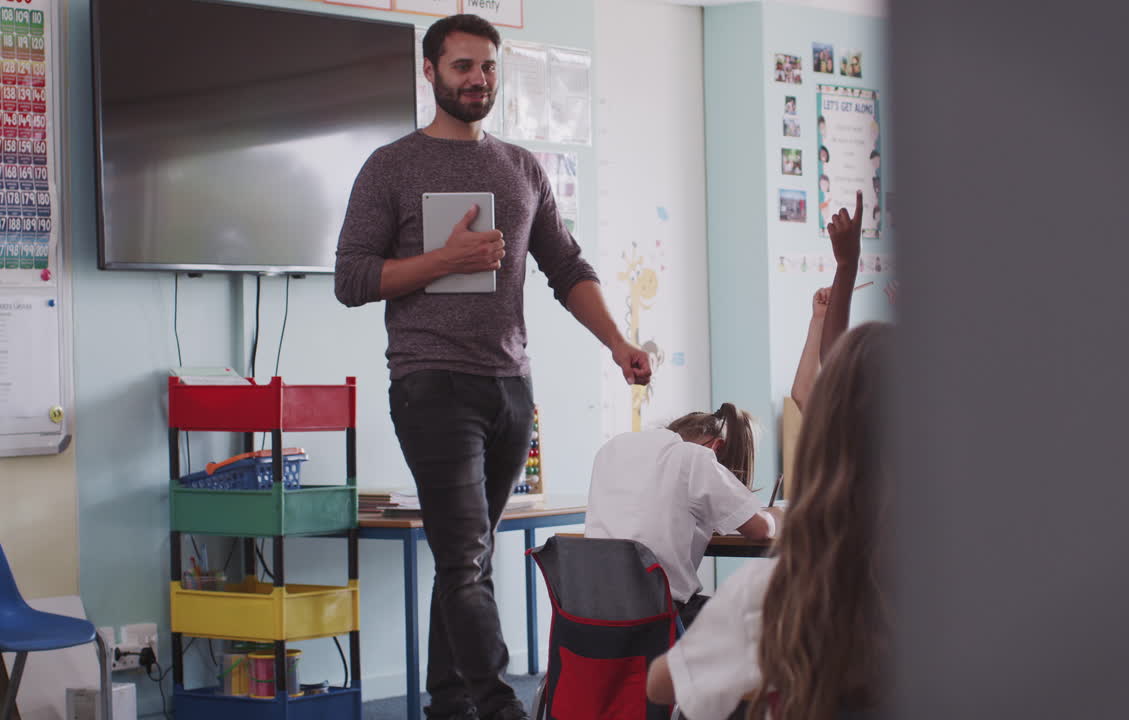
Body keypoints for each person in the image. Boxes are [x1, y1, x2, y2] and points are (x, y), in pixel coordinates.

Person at [333, 14, 650, 720]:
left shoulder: (520, 167)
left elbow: (566, 267)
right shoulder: (391, 166)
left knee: (465, 560)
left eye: (487, 68)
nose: (478, 79)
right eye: (462, 67)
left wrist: (617, 343)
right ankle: (502, 705)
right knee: (465, 559)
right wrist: (445, 259)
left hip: (510, 389)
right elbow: (350, 278)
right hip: (430, 384)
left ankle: (450, 704)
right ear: (430, 73)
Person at [646, 201, 873, 720]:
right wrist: (834, 291)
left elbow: (663, 687)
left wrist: (845, 270)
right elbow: (817, 390)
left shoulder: (778, 596)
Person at [584, 403, 778, 629]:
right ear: (716, 447)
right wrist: (773, 515)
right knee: (759, 619)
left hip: (591, 609)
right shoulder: (697, 457)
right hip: (655, 615)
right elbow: (761, 529)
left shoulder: (613, 448)